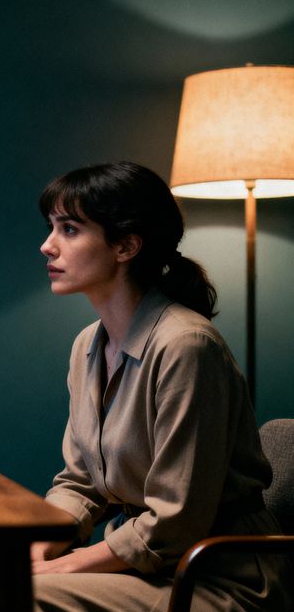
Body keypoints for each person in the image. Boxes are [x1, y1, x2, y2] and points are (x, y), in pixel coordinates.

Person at [30, 161, 292, 611]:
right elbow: (80, 483)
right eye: (51, 227)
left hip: (217, 577)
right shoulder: (86, 346)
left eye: (69, 229)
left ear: (126, 246)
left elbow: (175, 521)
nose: (47, 245)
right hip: (146, 567)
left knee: (11, 597)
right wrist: (40, 547)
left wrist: (65, 566)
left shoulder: (187, 346)